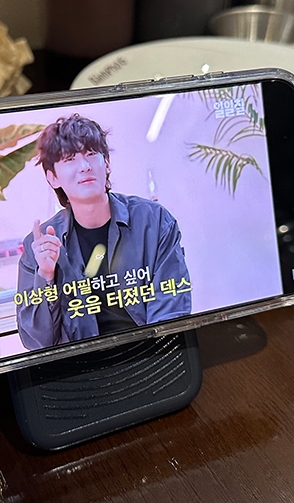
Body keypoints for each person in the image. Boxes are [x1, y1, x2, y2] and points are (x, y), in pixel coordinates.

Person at [16, 113, 191, 350]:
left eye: (91, 154)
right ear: (53, 178)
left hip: (151, 354)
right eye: (70, 159)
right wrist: (45, 275)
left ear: (106, 162)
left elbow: (171, 311)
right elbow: (36, 341)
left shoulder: (154, 221)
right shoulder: (38, 246)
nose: (85, 166)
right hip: (84, 365)